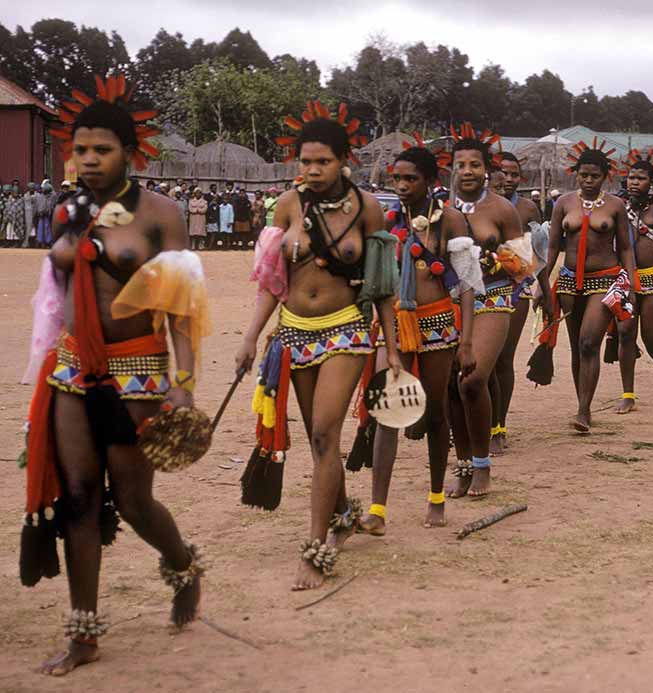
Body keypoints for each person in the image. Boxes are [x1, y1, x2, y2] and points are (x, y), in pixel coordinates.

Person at [22, 74, 210, 675]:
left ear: (129, 151)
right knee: (77, 498)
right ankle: (83, 634)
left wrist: (183, 381)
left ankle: (181, 563)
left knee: (132, 501)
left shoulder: (160, 214)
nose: (89, 159)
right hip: (74, 371)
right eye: (80, 149)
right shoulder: (68, 211)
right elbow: (56, 298)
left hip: (139, 376)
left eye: (102, 149)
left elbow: (181, 303)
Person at [234, 100, 399, 591]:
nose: (312, 170)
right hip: (292, 332)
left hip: (346, 328)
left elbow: (383, 285)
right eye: (305, 161)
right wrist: (250, 336)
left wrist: (392, 347)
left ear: (343, 159)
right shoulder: (287, 204)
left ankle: (316, 544)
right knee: (316, 439)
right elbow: (271, 279)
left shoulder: (368, 207)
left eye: (322, 161)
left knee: (327, 430)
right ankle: (344, 512)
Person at [355, 142, 474, 534]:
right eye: (397, 179)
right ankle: (377, 509)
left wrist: (468, 341)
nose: (403, 185)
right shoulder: (387, 221)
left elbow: (468, 284)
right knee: (387, 412)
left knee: (437, 412)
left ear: (431, 181)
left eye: (411, 179)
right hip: (393, 326)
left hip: (438, 322)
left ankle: (437, 497)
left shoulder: (451, 220)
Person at [444, 126, 527, 497]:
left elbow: (524, 265)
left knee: (473, 378)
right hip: (446, 302)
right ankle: (462, 464)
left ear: (486, 169)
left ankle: (482, 466)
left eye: (474, 164)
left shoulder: (502, 209)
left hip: (492, 298)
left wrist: (492, 260)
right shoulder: (438, 209)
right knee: (449, 387)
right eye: (459, 164)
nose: (466, 171)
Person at [537, 141, 635, 428]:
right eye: (584, 175)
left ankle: (583, 410)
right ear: (576, 174)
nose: (589, 181)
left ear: (606, 176)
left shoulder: (616, 205)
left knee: (589, 341)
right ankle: (583, 402)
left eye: (595, 176)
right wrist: (541, 282)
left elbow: (626, 248)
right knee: (577, 346)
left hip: (604, 279)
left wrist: (629, 283)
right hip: (568, 282)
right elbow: (553, 246)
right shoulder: (563, 203)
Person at [612, 151, 653, 413]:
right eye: (631, 178)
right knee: (626, 333)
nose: (634, 183)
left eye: (641, 178)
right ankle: (628, 394)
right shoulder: (616, 207)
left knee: (650, 337)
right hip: (625, 278)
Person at [490, 151, 542, 451]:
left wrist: (542, 288)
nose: (508, 180)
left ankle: (499, 426)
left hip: (516, 286)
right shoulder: (472, 207)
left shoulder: (527, 208)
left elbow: (539, 252)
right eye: (503, 173)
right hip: (479, 287)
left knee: (502, 358)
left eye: (513, 174)